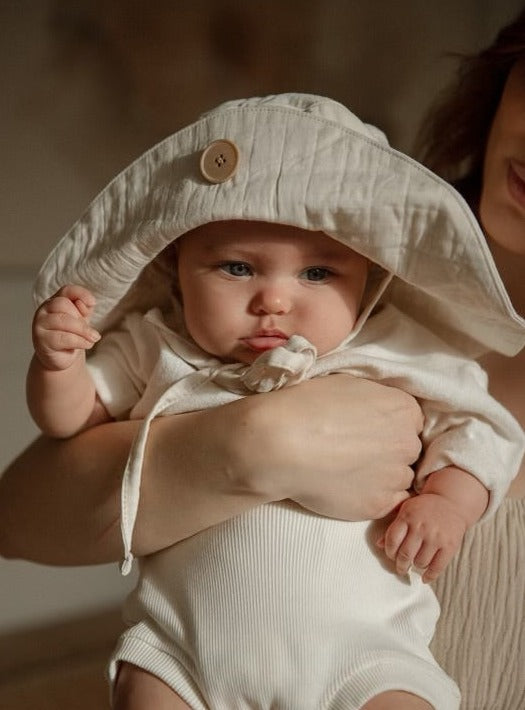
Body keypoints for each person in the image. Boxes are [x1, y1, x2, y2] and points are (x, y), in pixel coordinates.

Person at [25, 93, 524, 710]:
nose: (274, 301)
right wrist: (59, 364)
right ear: (176, 264)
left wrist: (449, 503)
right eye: (237, 268)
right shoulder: (156, 343)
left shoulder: (396, 348)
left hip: (363, 656)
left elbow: (482, 427)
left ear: (369, 276)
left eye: (317, 274)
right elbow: (70, 420)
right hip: (183, 652)